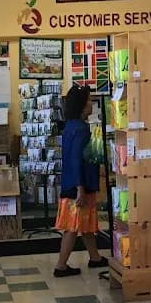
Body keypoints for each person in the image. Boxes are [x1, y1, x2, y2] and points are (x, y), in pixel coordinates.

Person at [54, 84, 108, 278]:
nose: (92, 104)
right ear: (82, 105)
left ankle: (95, 257)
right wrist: (80, 189)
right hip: (78, 185)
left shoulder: (70, 126)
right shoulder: (82, 129)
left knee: (84, 224)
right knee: (71, 227)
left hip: (71, 181)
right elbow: (78, 158)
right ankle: (61, 266)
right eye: (89, 100)